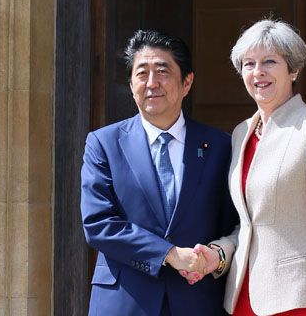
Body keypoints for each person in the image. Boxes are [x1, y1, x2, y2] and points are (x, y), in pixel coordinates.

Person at [192, 18, 306, 315]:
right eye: (248, 64)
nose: (258, 73)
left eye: (269, 62)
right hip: (241, 301)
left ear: (293, 69)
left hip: (298, 303)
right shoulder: (241, 133)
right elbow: (252, 224)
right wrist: (220, 252)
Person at [80, 29, 237, 316]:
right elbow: (99, 224)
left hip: (198, 300)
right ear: (130, 84)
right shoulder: (103, 143)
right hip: (124, 302)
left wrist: (214, 256)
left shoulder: (219, 146)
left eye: (163, 71)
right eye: (142, 73)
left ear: (187, 82)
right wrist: (169, 255)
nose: (152, 83)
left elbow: (232, 225)